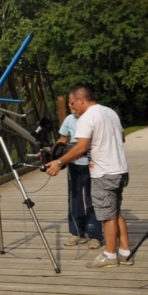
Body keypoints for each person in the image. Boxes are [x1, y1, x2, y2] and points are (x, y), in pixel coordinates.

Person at [45, 86, 132, 268]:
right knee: (115, 212)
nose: (71, 107)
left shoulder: (87, 117)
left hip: (104, 172)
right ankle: (125, 253)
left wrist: (59, 162)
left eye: (72, 103)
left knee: (107, 216)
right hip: (120, 170)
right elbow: (121, 138)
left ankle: (109, 255)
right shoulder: (110, 112)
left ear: (81, 100)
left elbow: (80, 147)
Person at [57, 109, 103, 249]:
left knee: (91, 198)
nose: (72, 107)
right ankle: (77, 232)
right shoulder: (69, 119)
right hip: (73, 164)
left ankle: (95, 235)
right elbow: (62, 140)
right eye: (69, 104)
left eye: (74, 103)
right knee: (74, 198)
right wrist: (51, 152)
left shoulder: (91, 118)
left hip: (92, 164)